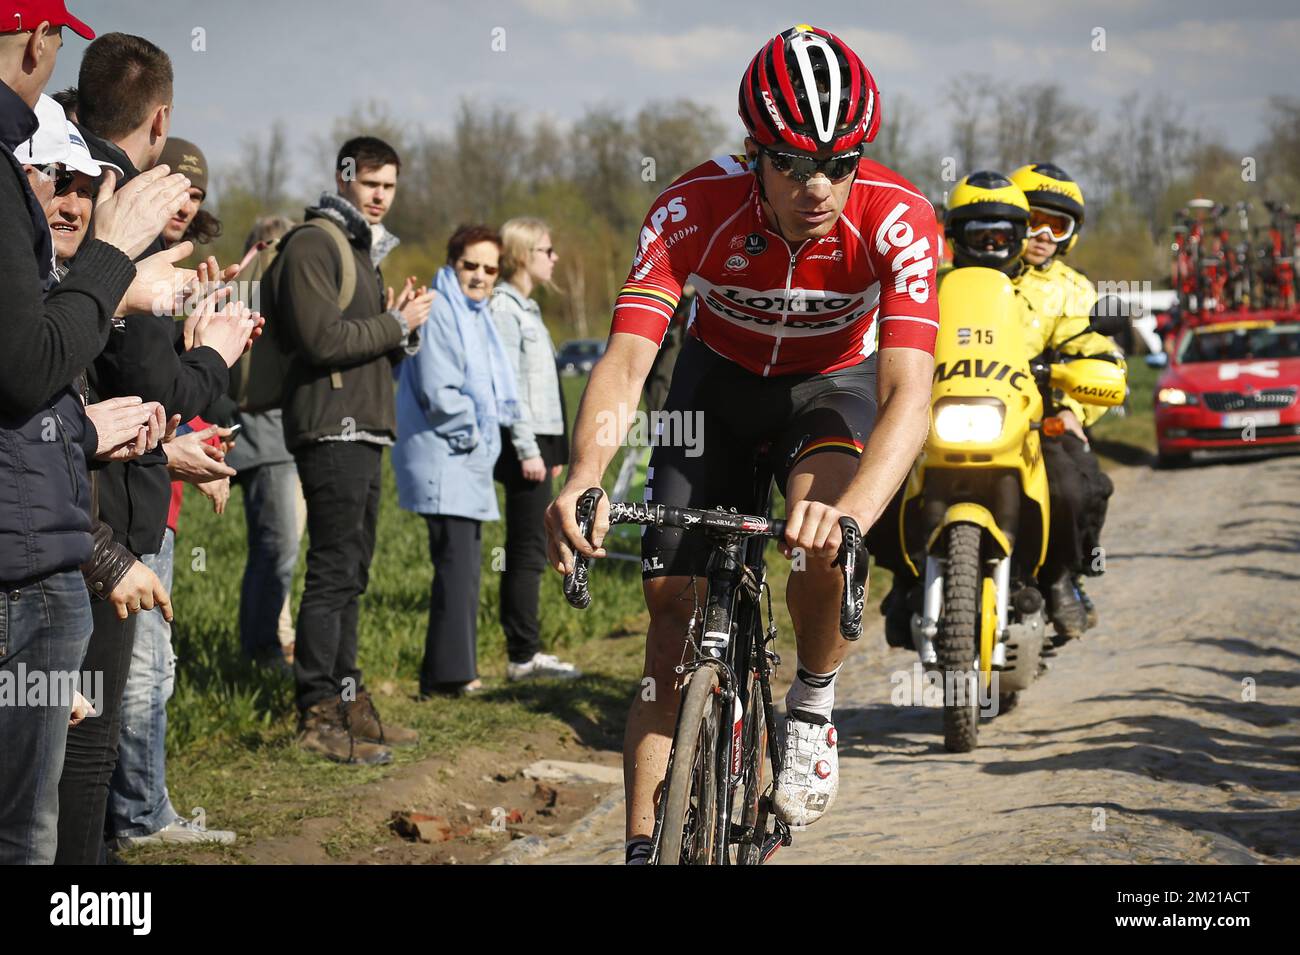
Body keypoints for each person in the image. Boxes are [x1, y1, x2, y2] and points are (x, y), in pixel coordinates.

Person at [544, 26, 939, 862]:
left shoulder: (899, 218)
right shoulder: (692, 207)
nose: (820, 185)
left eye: (842, 161)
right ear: (753, 151)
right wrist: (585, 475)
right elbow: (625, 361)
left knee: (821, 533)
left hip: (830, 390)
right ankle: (644, 847)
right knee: (669, 616)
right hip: (713, 390)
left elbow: (909, 393)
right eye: (794, 164)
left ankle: (812, 704)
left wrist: (857, 514)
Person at [0, 1, 200, 865]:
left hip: (63, 539)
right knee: (38, 824)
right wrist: (113, 272)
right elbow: (31, 366)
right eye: (52, 175)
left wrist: (80, 429)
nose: (67, 196)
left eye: (80, 181)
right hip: (51, 551)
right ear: (43, 42)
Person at [59, 30, 256, 865]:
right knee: (90, 736)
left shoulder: (107, 231)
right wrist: (211, 350)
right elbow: (149, 388)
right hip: (96, 523)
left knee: (89, 723)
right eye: (52, 188)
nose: (69, 206)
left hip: (101, 506)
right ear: (160, 119)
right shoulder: (117, 228)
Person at [269, 136, 432, 765]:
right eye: (370, 183)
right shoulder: (314, 243)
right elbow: (319, 340)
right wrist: (396, 325)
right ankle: (317, 714)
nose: (380, 196)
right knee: (333, 573)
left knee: (352, 573)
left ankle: (348, 699)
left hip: (364, 426)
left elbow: (364, 346)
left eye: (389, 185)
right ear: (343, 178)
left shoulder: (365, 251)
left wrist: (401, 328)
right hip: (331, 428)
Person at [394, 226, 516, 697]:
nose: (480, 276)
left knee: (462, 568)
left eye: (490, 268)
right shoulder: (442, 309)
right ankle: (450, 676)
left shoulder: (475, 314)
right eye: (471, 266)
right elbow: (439, 389)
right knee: (456, 566)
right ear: (452, 264)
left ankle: (448, 671)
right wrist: (478, 438)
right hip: (446, 456)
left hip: (465, 460)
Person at [1008, 162, 1117, 634]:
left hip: (1043, 412)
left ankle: (1060, 578)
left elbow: (1100, 355)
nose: (1043, 234)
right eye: (1033, 219)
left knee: (1074, 487)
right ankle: (905, 583)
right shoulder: (967, 271)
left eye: (1058, 225)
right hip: (968, 404)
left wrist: (1074, 408)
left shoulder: (1076, 290)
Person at [489, 217, 580, 682]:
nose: (555, 258)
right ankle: (522, 655)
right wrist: (528, 449)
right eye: (547, 250)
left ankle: (527, 649)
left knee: (534, 544)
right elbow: (508, 389)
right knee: (525, 549)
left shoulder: (526, 308)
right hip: (524, 446)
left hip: (541, 444)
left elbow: (540, 387)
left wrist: (554, 446)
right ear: (523, 255)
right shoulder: (504, 310)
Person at [227, 214, 304, 669]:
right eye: (271, 247)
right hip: (266, 440)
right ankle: (262, 650)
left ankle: (267, 643)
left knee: (279, 544)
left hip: (283, 440)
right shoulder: (247, 294)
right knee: (276, 545)